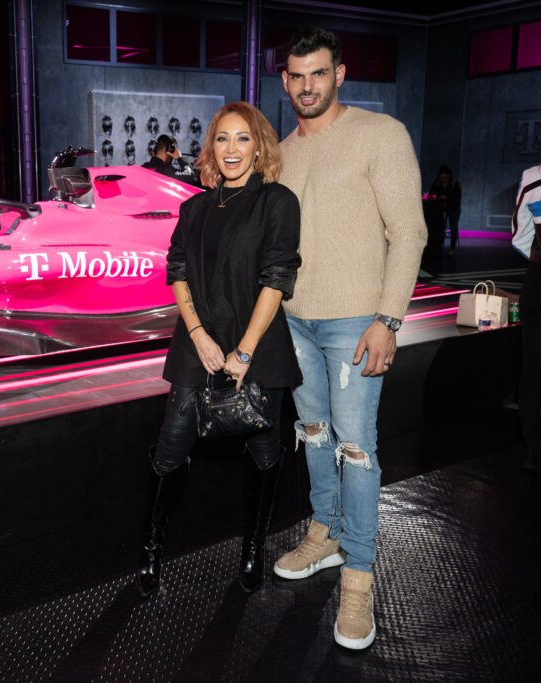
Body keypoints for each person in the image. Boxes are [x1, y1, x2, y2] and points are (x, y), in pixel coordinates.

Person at [272, 28, 427, 650]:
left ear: (340, 75)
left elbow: (409, 232)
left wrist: (388, 318)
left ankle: (359, 574)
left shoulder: (379, 134)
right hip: (294, 321)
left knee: (356, 446)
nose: (307, 86)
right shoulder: (280, 152)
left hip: (355, 321)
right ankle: (325, 532)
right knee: (312, 435)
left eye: (318, 73)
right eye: (296, 76)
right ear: (285, 82)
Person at [136, 102, 301, 599]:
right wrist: (201, 336)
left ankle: (253, 550)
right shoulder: (194, 207)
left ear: (259, 146)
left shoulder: (277, 201)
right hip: (197, 345)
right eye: (223, 139)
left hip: (258, 343)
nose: (232, 149)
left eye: (243, 138)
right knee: (171, 447)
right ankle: (150, 553)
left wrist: (244, 352)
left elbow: (277, 278)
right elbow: (177, 270)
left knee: (264, 447)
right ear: (211, 148)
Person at [513, 162, 541, 473]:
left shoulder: (533, 176)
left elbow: (520, 235)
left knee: (533, 372)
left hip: (538, 280)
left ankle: (535, 454)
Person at [429, 165, 462, 256]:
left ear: (448, 176)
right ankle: (438, 247)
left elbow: (458, 199)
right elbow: (430, 194)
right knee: (439, 227)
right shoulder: (437, 183)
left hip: (453, 208)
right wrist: (435, 197)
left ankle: (452, 249)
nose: (443, 179)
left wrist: (447, 198)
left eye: (445, 177)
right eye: (441, 177)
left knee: (453, 227)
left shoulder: (454, 183)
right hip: (441, 208)